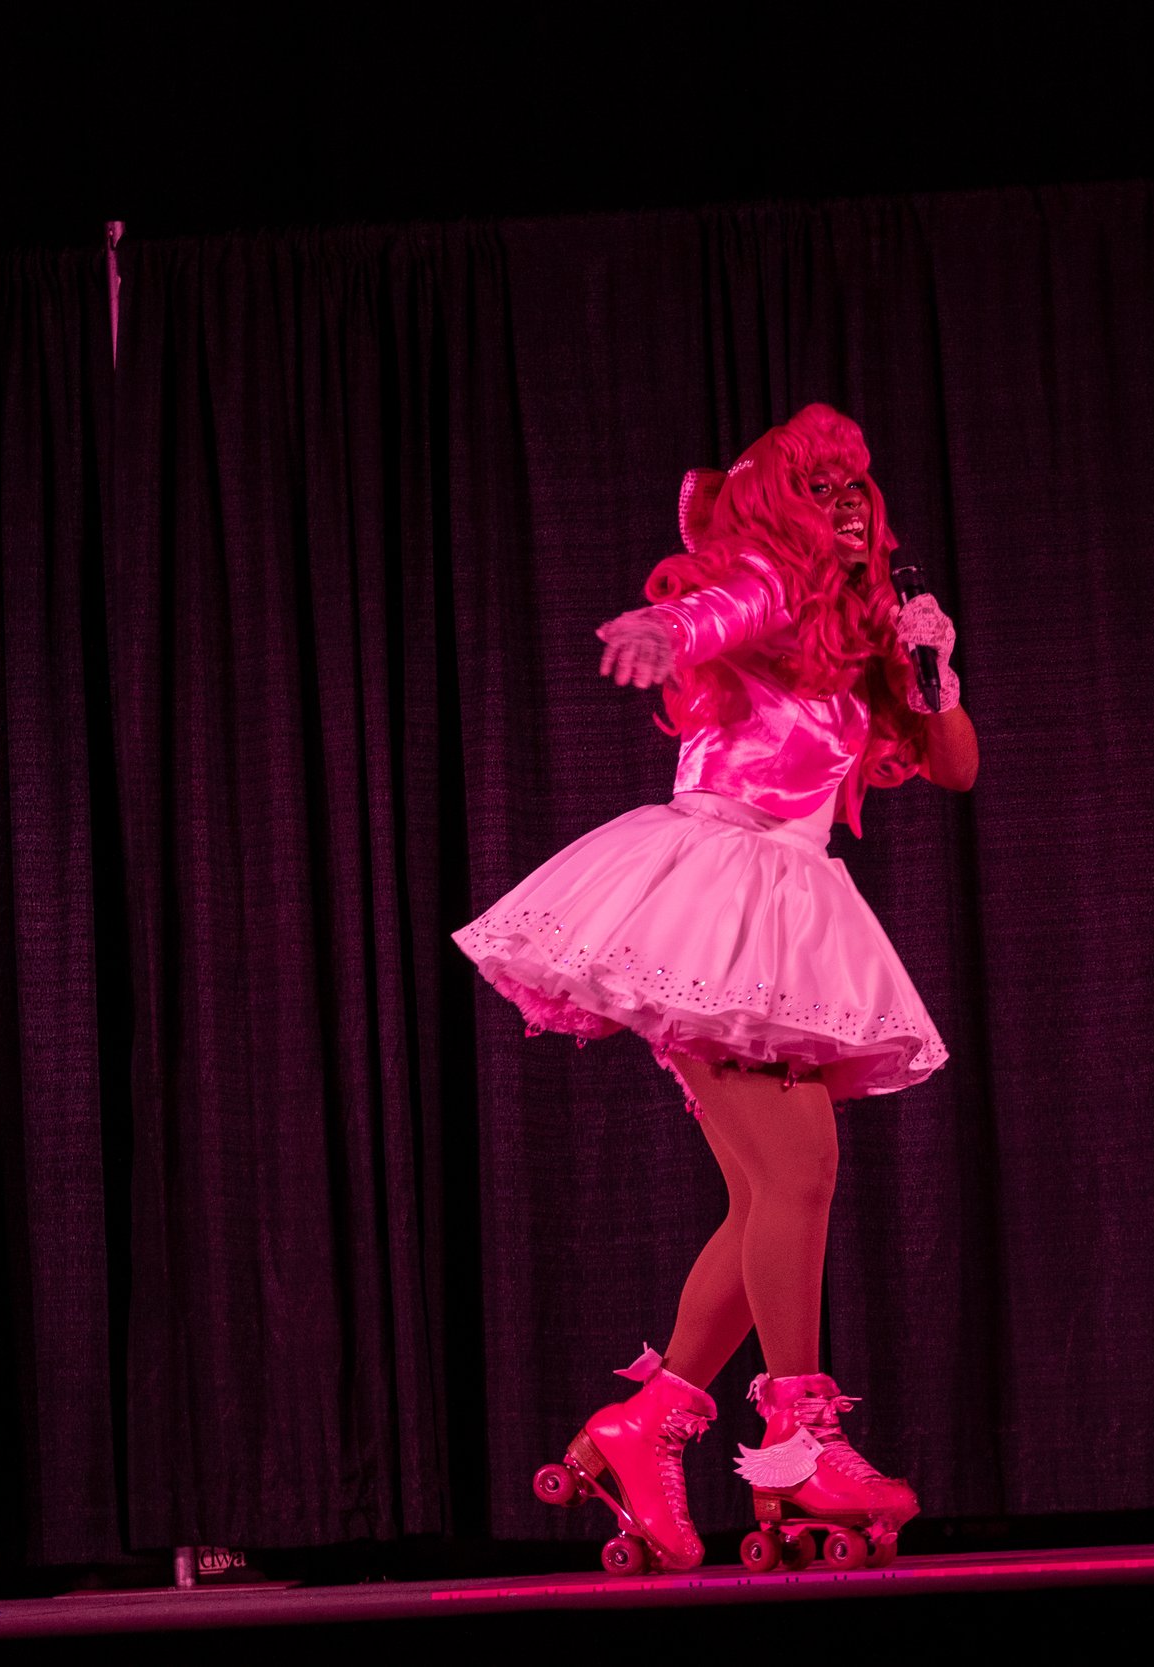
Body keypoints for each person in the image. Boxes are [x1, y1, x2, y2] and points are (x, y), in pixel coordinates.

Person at [451, 403, 977, 1574]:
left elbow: (954, 767)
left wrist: (933, 668)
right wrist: (666, 623)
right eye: (821, 492)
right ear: (786, 510)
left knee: (766, 1197)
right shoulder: (770, 584)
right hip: (716, 894)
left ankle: (646, 1424)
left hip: (788, 899)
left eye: (857, 490)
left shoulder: (865, 635)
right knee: (800, 1172)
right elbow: (723, 606)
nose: (848, 509)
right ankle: (797, 1440)